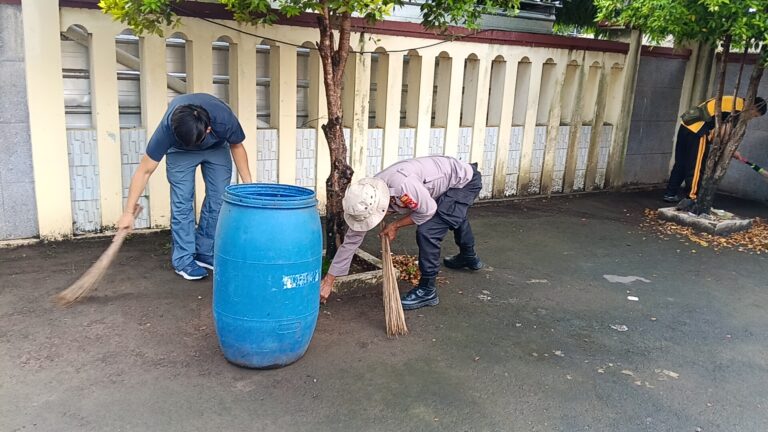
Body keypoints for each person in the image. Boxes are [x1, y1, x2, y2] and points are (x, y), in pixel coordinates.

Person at [319, 156, 483, 310]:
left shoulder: (402, 187)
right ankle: (468, 256)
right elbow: (351, 241)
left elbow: (427, 211)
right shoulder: (365, 197)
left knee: (429, 230)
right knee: (452, 213)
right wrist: (329, 280)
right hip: (442, 184)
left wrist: (395, 225)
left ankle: (427, 290)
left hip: (464, 182)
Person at [117, 93, 252, 280]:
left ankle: (205, 251)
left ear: (208, 129)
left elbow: (237, 146)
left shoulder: (224, 119)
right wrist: (128, 212)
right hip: (180, 153)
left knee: (219, 197)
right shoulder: (167, 129)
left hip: (216, 148)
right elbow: (144, 171)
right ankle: (183, 259)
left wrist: (249, 187)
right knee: (182, 201)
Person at [663, 96, 766, 203]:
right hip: (698, 131)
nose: (751, 118)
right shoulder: (738, 110)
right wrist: (731, 150)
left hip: (685, 126)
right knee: (696, 167)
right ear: (753, 107)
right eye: (754, 115)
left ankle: (670, 194)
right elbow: (724, 131)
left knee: (681, 163)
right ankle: (693, 198)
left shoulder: (733, 99)